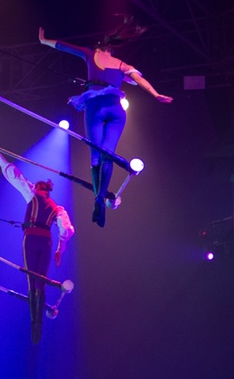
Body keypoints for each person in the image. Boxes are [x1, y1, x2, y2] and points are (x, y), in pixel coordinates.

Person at [38, 19, 173, 227]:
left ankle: (98, 198)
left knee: (96, 157)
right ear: (112, 49)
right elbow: (139, 81)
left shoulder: (90, 55)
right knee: (107, 154)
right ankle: (99, 199)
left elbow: (65, 47)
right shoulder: (122, 65)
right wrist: (156, 94)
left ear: (98, 47)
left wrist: (44, 40)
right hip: (117, 112)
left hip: (96, 109)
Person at [0, 143, 74, 344]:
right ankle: (38, 325)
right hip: (46, 242)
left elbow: (14, 176)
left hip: (31, 240)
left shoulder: (32, 194)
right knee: (41, 280)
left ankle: (34, 323)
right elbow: (67, 230)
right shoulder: (57, 207)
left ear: (38, 187)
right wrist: (59, 250)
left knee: (31, 279)